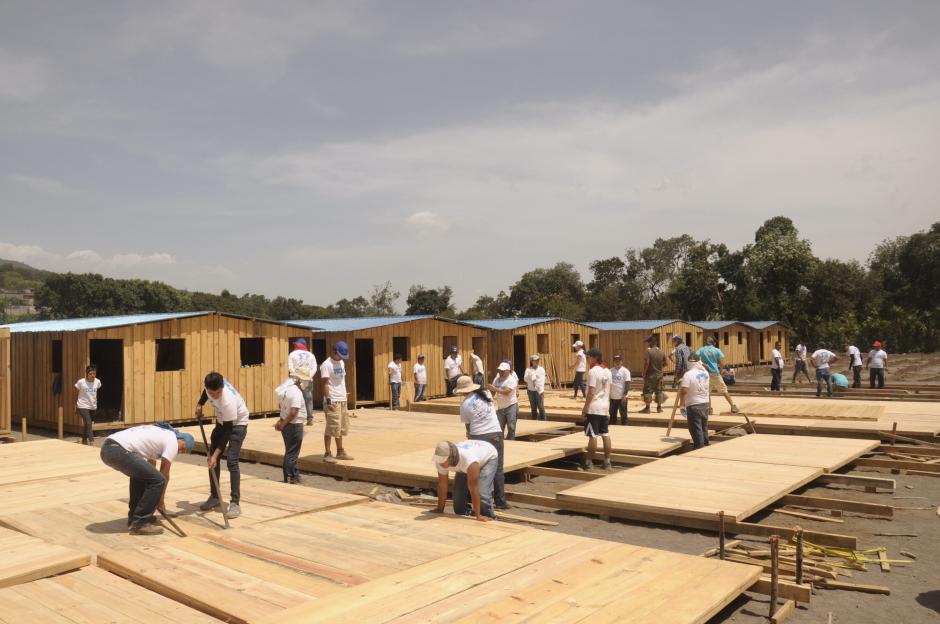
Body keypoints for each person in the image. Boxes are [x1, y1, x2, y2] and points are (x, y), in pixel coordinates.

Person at [100, 423, 194, 535]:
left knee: (142, 478)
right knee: (159, 480)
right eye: (184, 448)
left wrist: (155, 496)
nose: (181, 452)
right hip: (119, 450)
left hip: (108, 449)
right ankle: (141, 522)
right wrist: (160, 501)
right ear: (182, 439)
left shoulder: (159, 435)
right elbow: (164, 474)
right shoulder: (172, 440)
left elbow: (150, 468)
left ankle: (135, 519)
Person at [195, 372, 249, 518]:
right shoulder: (210, 387)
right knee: (211, 459)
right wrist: (200, 404)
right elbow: (206, 393)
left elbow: (228, 432)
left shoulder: (228, 401)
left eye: (218, 392)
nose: (215, 396)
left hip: (237, 424)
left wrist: (215, 455)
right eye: (212, 393)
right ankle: (215, 496)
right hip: (222, 421)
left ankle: (235, 503)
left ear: (222, 387)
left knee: (232, 460)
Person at [455, 374, 507, 510]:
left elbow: (468, 428)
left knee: (478, 470)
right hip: (496, 433)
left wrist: (470, 440)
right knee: (498, 469)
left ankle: (480, 502)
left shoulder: (465, 404)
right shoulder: (486, 393)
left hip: (479, 437)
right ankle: (501, 501)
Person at [432, 439, 497, 521]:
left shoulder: (469, 460)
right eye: (439, 460)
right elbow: (442, 485)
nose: (440, 463)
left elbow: (473, 488)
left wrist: (478, 516)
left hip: (488, 457)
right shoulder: (440, 462)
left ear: (451, 457)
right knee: (458, 500)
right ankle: (467, 514)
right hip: (466, 461)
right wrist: (440, 509)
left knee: (482, 493)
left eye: (443, 460)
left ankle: (489, 518)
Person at [273, 367, 311, 484]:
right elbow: (293, 412)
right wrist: (283, 424)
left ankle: (294, 475)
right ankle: (290, 477)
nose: (307, 383)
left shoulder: (286, 389)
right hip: (294, 425)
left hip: (286, 424)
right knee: (292, 453)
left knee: (290, 451)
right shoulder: (296, 392)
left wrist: (281, 422)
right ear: (300, 380)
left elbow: (282, 407)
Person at [320, 341, 354, 463]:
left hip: (342, 399)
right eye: (340, 355)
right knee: (331, 427)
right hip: (332, 400)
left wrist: (344, 394)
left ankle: (340, 451)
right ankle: (327, 453)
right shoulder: (326, 365)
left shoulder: (341, 362)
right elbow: (324, 384)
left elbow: (340, 381)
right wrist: (328, 400)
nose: (341, 358)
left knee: (340, 427)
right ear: (334, 352)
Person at [581, 348, 612, 470]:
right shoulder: (607, 371)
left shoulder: (593, 371)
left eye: (588, 357)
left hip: (594, 408)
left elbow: (591, 392)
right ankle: (607, 462)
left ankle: (589, 462)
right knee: (605, 434)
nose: (587, 359)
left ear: (594, 358)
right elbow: (610, 390)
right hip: (604, 407)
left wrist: (585, 409)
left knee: (593, 435)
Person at [694, 337, 741, 414]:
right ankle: (732, 406)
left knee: (706, 392)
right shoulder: (716, 350)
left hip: (705, 374)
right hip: (715, 373)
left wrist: (702, 364)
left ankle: (709, 409)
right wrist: (720, 372)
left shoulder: (701, 350)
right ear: (714, 343)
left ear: (706, 342)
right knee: (724, 390)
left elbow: (694, 358)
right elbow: (722, 363)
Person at [678, 355, 711, 449]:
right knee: (704, 427)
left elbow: (684, 391)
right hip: (705, 403)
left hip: (694, 404)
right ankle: (706, 445)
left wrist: (682, 405)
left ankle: (699, 448)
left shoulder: (688, 374)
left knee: (696, 429)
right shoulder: (705, 373)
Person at [287, 338, 317, 425]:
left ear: (297, 345)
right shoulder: (311, 355)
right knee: (308, 399)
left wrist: (297, 376)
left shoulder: (292, 354)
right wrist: (308, 376)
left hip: (295, 380)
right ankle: (310, 419)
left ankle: (297, 418)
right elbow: (314, 368)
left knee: (295, 399)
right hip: (308, 380)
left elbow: (290, 367)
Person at [488, 362, 519, 441]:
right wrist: (489, 397)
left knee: (511, 427)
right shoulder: (497, 379)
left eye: (502, 371)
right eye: (499, 370)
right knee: (499, 427)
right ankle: (500, 442)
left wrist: (495, 389)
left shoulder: (512, 379)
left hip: (511, 406)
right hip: (500, 407)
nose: (500, 372)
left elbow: (507, 392)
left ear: (508, 371)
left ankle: (510, 441)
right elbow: (493, 391)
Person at [639, 336, 666, 414]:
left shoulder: (648, 351)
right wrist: (659, 368)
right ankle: (659, 408)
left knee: (647, 391)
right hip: (659, 375)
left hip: (650, 375)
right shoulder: (661, 352)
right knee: (659, 390)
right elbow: (666, 363)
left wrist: (644, 372)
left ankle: (647, 408)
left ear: (651, 342)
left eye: (647, 342)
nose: (647, 344)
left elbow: (647, 363)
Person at [75, 365, 101, 445]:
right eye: (90, 374)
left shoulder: (97, 382)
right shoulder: (81, 382)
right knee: (89, 423)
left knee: (87, 424)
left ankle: (84, 440)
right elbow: (76, 393)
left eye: (94, 374)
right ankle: (91, 441)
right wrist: (75, 405)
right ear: (87, 374)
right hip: (82, 405)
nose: (92, 375)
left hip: (93, 406)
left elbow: (95, 392)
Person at [609, 354, 631, 425]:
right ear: (613, 362)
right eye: (616, 361)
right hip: (612, 397)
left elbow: (627, 384)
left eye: (619, 361)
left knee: (623, 415)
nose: (617, 362)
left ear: (621, 362)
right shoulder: (610, 371)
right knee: (612, 415)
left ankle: (625, 428)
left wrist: (624, 395)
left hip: (622, 397)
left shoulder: (625, 371)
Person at [523, 355, 547, 421]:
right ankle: (534, 421)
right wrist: (531, 376)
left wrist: (541, 390)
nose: (537, 361)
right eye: (535, 360)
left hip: (539, 391)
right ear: (531, 361)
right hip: (530, 391)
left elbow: (542, 380)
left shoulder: (541, 369)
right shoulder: (528, 369)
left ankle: (544, 421)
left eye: (537, 360)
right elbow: (525, 379)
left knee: (541, 407)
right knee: (533, 408)